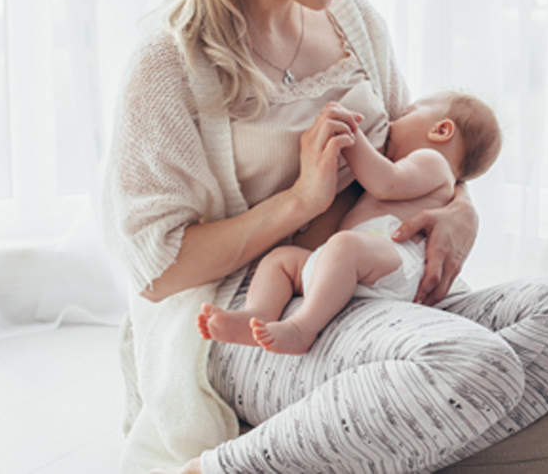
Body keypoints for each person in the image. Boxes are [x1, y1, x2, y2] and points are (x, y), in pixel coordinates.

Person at [103, 0, 548, 472]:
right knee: (475, 365)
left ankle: (392, 431)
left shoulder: (354, 21)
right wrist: (301, 201)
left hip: (385, 286)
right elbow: (159, 271)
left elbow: (419, 150)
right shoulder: (168, 61)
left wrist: (460, 211)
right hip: (265, 307)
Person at [197, 91, 502, 355]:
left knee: (344, 245)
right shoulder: (432, 173)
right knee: (280, 260)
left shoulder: (433, 162)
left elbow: (386, 182)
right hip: (348, 266)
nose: (392, 123)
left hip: (394, 263)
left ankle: (302, 328)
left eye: (407, 113)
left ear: (441, 130)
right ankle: (257, 316)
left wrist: (352, 137)